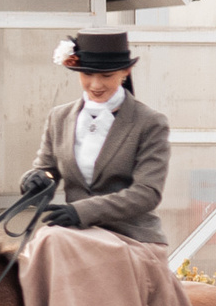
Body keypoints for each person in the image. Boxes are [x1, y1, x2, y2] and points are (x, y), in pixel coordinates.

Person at [20, 30, 168, 246]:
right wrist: (36, 180)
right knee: (40, 244)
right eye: (87, 75)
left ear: (125, 72)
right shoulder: (59, 117)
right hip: (77, 233)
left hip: (129, 237)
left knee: (50, 239)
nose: (96, 85)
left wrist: (81, 211)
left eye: (106, 76)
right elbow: (47, 168)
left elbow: (146, 193)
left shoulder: (149, 122)